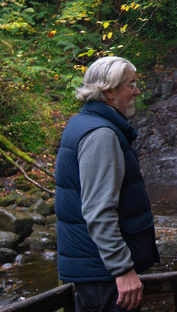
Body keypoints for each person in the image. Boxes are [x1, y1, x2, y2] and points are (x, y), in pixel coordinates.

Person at [55, 56, 160, 312]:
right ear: (109, 92)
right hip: (103, 276)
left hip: (96, 269)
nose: (137, 91)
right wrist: (122, 269)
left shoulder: (85, 122)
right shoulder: (101, 135)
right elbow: (99, 211)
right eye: (131, 84)